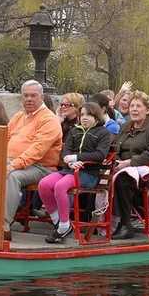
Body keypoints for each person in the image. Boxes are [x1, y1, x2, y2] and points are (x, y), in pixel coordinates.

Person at [0, 80, 62, 240]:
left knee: (10, 176)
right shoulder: (19, 116)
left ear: (41, 97)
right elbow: (1, 142)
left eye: (33, 95)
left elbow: (37, 151)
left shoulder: (49, 120)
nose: (29, 99)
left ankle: (3, 226)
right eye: (26, 95)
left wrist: (12, 166)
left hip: (40, 167)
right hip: (12, 162)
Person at [38, 103, 112, 244]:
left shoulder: (103, 133)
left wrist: (78, 158)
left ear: (96, 117)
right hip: (70, 169)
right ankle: (58, 221)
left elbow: (100, 155)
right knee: (44, 184)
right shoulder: (74, 131)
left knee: (60, 187)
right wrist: (69, 161)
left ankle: (64, 226)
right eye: (82, 114)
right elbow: (66, 151)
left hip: (89, 174)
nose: (84, 118)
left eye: (89, 115)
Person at [111, 91, 149, 240]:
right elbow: (116, 147)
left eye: (138, 106)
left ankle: (125, 225)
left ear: (148, 109)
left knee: (123, 180)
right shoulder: (127, 126)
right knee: (105, 176)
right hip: (126, 167)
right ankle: (105, 221)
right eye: (132, 106)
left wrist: (130, 162)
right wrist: (118, 161)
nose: (134, 109)